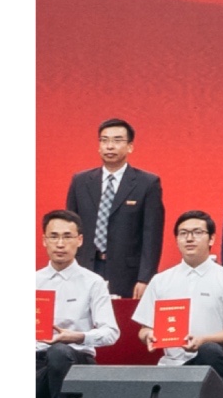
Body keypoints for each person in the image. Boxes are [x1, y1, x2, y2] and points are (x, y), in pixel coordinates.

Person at [135, 209, 223, 395]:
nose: (189, 238)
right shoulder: (160, 280)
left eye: (197, 232)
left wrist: (204, 340)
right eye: (183, 233)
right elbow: (144, 329)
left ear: (211, 239)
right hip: (172, 365)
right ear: (177, 239)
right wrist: (149, 335)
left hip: (213, 362)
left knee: (209, 350)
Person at [37, 212, 122, 398]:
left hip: (76, 360)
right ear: (44, 240)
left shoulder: (93, 282)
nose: (60, 244)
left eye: (67, 236)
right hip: (37, 362)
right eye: (54, 236)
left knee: (59, 352)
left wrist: (76, 336)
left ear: (80, 240)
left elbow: (111, 333)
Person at [65, 119, 165, 295]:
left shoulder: (147, 183)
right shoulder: (80, 181)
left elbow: (152, 236)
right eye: (104, 140)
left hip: (127, 273)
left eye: (117, 140)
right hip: (85, 267)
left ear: (130, 146)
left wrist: (145, 278)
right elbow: (69, 228)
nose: (109, 146)